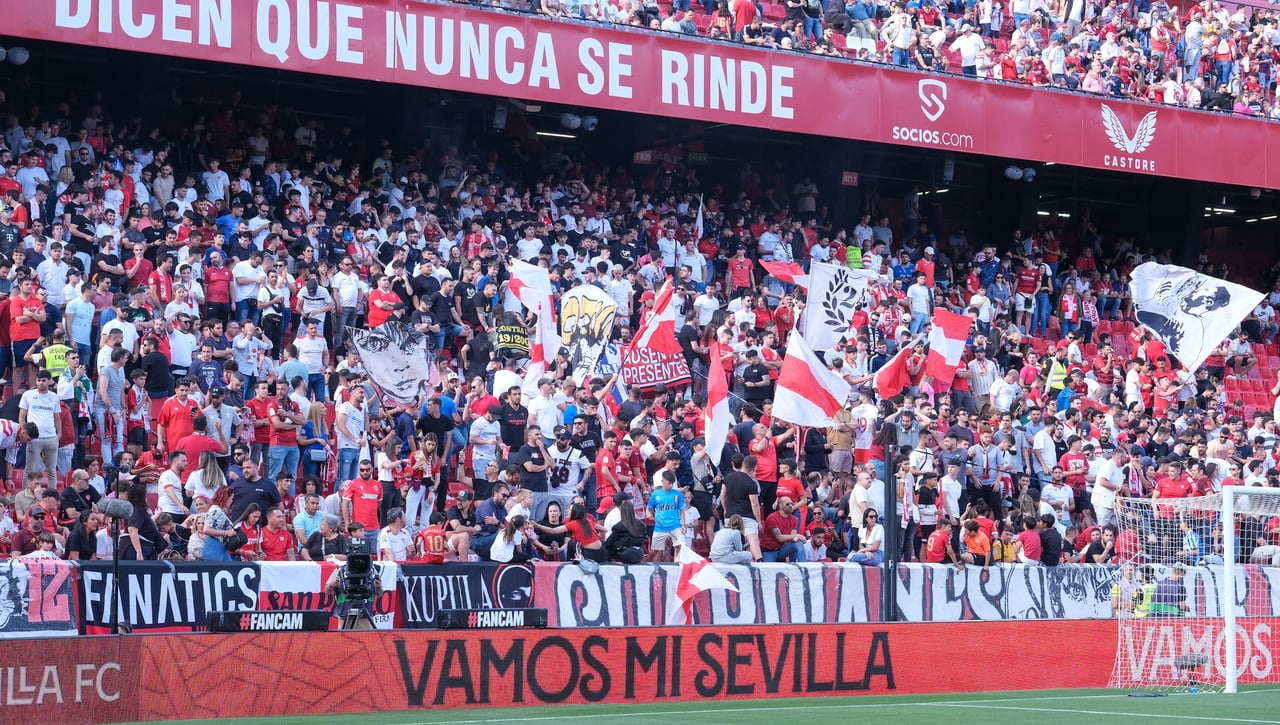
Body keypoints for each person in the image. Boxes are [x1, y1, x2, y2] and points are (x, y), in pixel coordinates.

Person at [119, 483, 166, 560]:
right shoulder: (136, 510)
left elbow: (144, 525)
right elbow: (132, 530)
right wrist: (139, 552)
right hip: (136, 548)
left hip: (146, 546)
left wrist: (156, 516)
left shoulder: (139, 510)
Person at [647, 469, 686, 561]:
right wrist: (649, 513)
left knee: (680, 546)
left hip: (675, 525)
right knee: (654, 551)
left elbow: (681, 510)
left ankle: (678, 565)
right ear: (663, 482)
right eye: (669, 483)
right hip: (660, 526)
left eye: (672, 483)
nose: (671, 485)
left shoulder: (677, 494)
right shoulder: (656, 494)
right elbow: (649, 507)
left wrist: (683, 524)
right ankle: (646, 565)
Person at [760, 496, 807, 563]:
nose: (790, 506)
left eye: (792, 504)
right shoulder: (772, 517)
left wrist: (796, 538)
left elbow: (793, 538)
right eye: (787, 504)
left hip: (782, 549)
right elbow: (779, 537)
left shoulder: (794, 519)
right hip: (769, 550)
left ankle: (802, 566)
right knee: (769, 570)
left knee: (798, 544)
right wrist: (798, 536)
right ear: (780, 506)